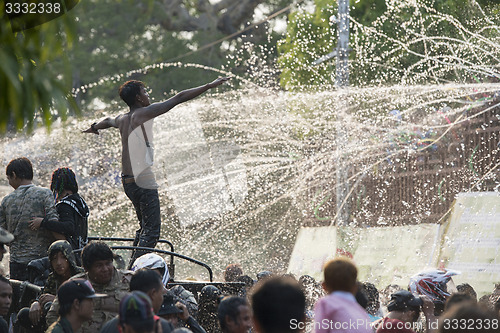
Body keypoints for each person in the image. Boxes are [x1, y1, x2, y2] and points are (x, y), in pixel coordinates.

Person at [83, 77, 230, 266]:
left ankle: (129, 267)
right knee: (152, 231)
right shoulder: (143, 113)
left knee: (143, 228)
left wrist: (94, 127)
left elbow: (107, 121)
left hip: (127, 181)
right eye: (145, 92)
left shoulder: (122, 119)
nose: (147, 95)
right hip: (143, 179)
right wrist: (209, 85)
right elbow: (179, 97)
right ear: (137, 98)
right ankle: (134, 270)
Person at [46, 242, 131, 332]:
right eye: (99, 265)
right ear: (86, 268)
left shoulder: (130, 280)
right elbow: (52, 316)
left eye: (108, 263)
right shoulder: (76, 285)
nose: (105, 269)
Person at [0, 157, 59, 281]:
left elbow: (3, 234)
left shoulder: (6, 201)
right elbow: (54, 223)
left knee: (19, 298)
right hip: (42, 261)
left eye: (8, 178)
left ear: (14, 175)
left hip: (17, 263)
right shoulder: (45, 194)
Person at [18, 240, 84, 332]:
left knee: (49, 306)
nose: (58, 263)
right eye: (54, 259)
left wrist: (57, 300)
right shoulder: (53, 278)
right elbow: (43, 295)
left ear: (69, 258)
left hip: (76, 317)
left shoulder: (81, 275)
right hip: (53, 316)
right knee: (24, 314)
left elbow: (85, 302)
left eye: (63, 257)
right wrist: (36, 303)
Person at [29, 168, 89, 252]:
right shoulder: (79, 201)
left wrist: (43, 222)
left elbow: (68, 227)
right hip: (80, 249)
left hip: (71, 251)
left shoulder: (65, 205)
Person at [100, 268, 174, 333]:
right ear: (153, 293)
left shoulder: (108, 327)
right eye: (161, 294)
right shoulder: (162, 326)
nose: (162, 298)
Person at [313, 258, 371, 333]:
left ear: (324, 286)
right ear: (355, 287)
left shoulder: (326, 303)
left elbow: (319, 330)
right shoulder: (361, 312)